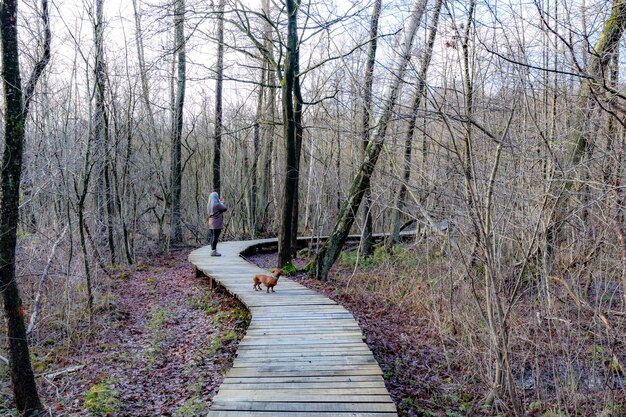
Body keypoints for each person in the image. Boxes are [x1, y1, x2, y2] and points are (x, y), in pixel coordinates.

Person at [207, 191, 227, 256]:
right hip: (216, 224)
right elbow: (224, 208)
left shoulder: (209, 205)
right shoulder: (217, 204)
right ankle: (214, 251)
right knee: (215, 237)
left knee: (212, 237)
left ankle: (213, 250)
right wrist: (222, 202)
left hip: (210, 223)